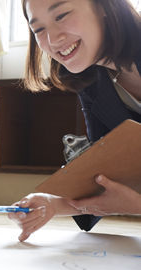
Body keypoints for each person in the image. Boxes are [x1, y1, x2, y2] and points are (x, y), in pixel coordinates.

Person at [8, 0, 141, 242]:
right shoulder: (92, 82)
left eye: (61, 15)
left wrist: (137, 205)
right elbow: (102, 171)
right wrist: (53, 204)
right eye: (38, 29)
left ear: (103, 7)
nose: (52, 39)